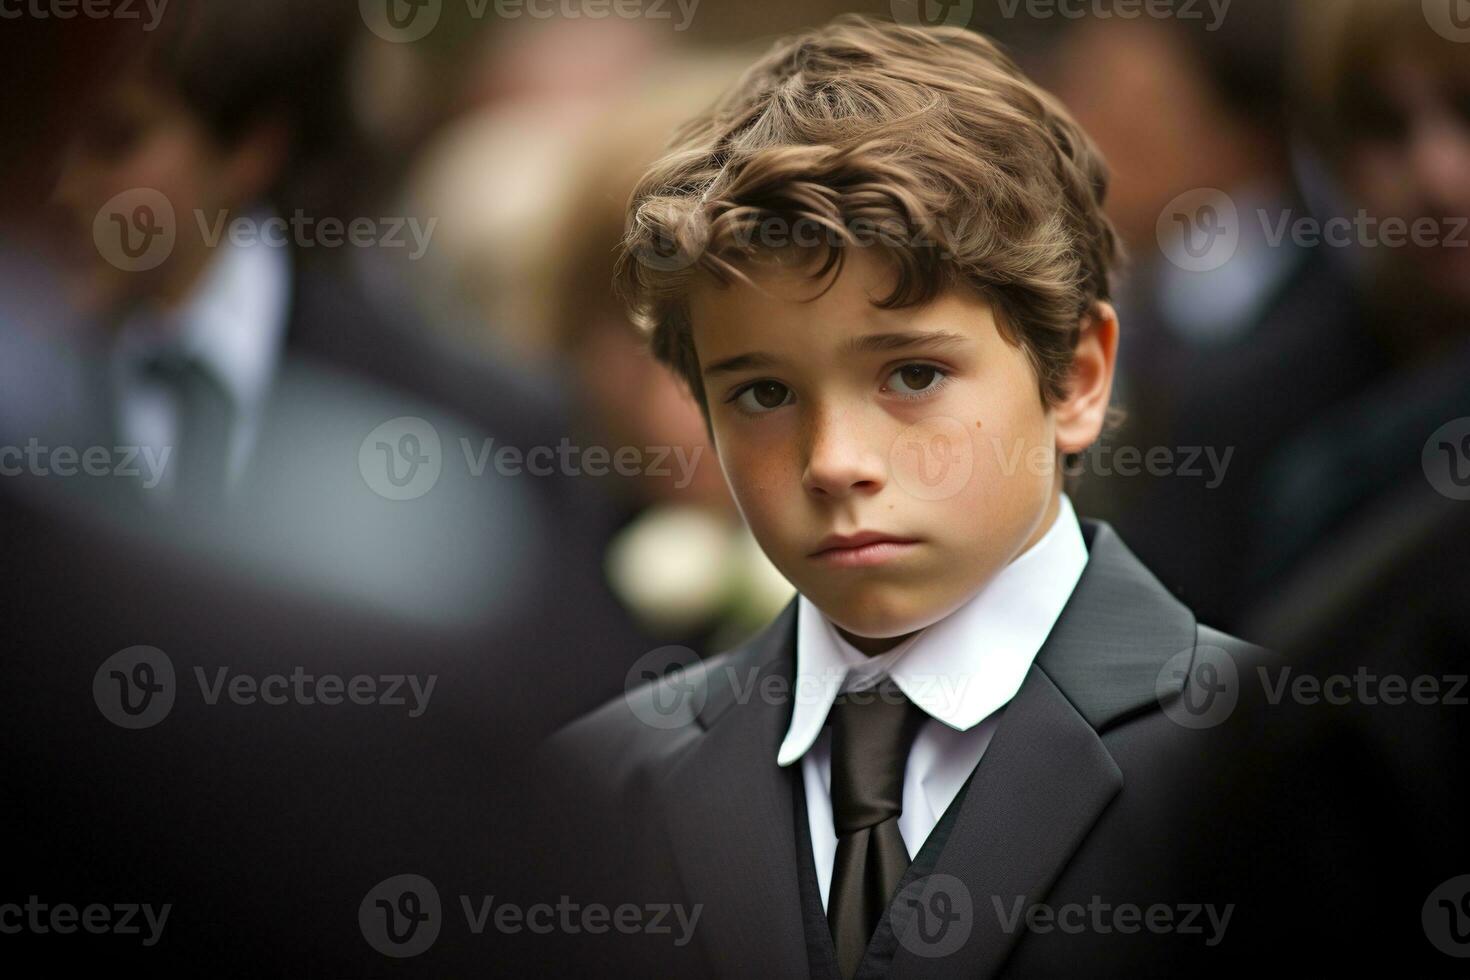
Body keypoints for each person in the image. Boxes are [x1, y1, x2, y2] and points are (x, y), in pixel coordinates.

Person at [539, 17, 1290, 978]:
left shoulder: (1266, 759)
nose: (834, 461)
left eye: (914, 375)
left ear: (1077, 379)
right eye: (763, 393)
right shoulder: (599, 789)